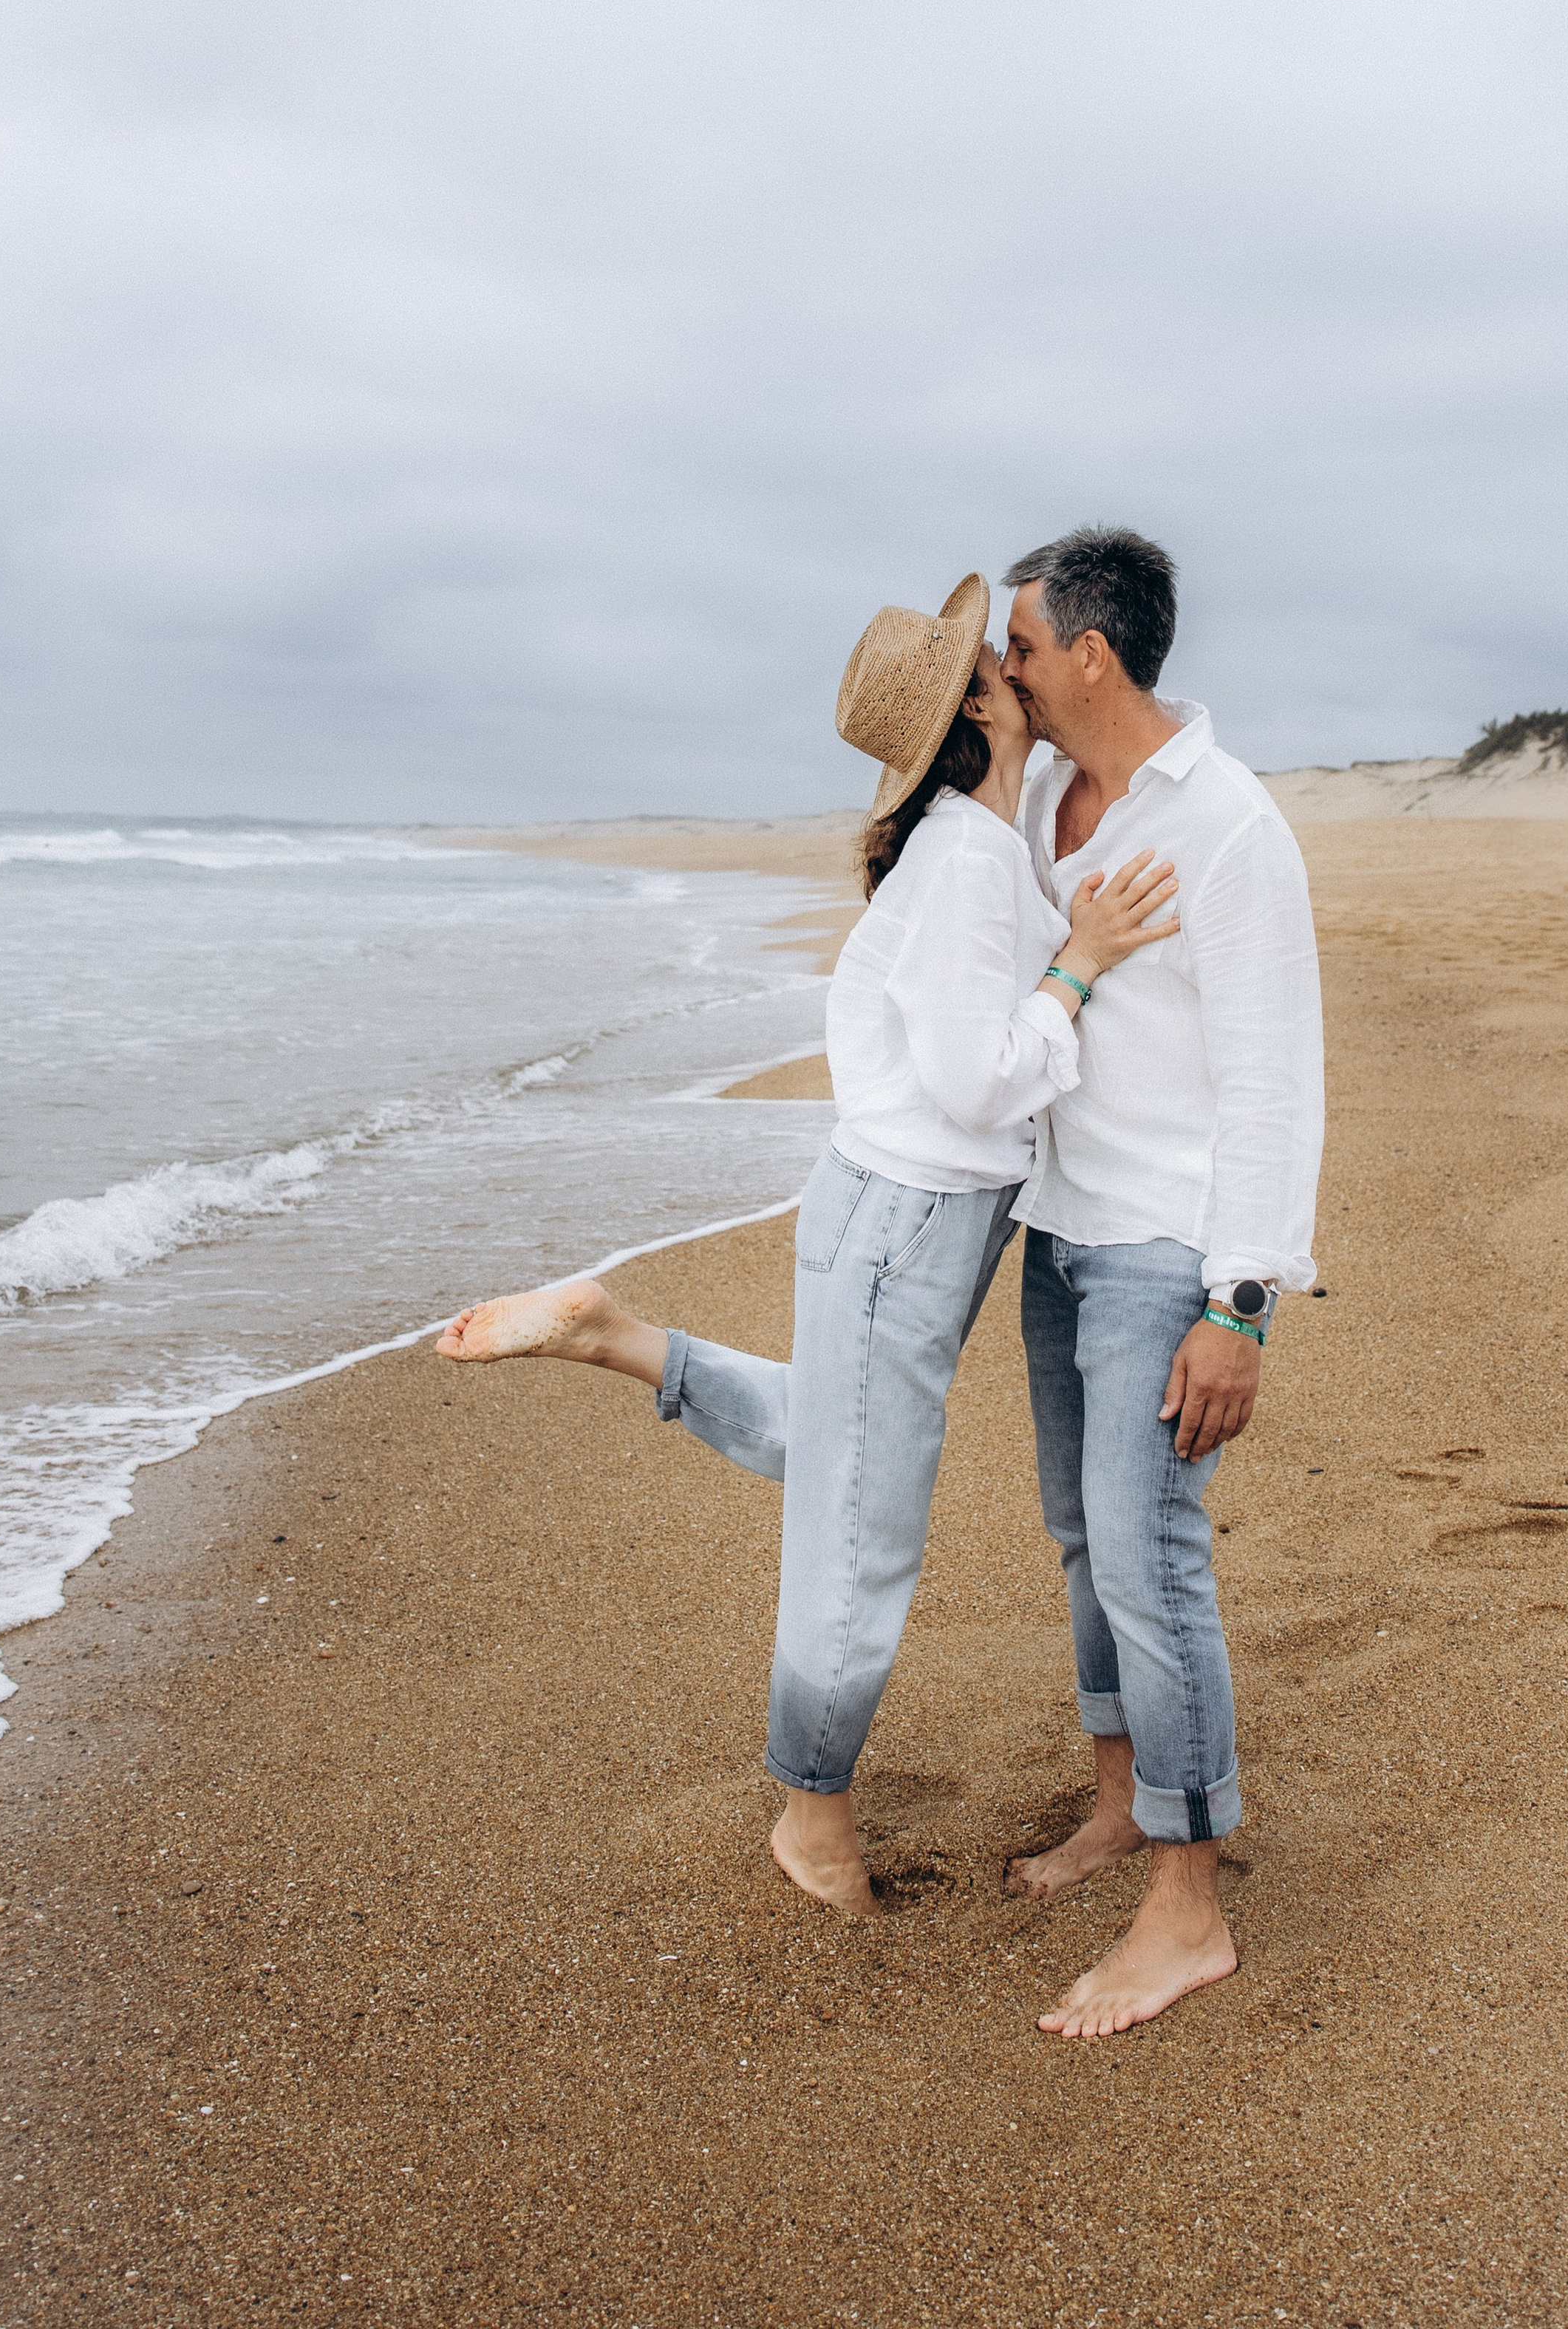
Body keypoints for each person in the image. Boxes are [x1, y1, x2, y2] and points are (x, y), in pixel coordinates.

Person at [437, 573, 1179, 1918]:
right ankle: (811, 1813)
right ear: (981, 702)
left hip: (894, 1219)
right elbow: (971, 1082)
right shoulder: (960, 863)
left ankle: (618, 1336)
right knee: (858, 1528)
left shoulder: (970, 834)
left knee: (832, 1452)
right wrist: (1080, 965)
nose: (1024, 665)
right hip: (906, 1223)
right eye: (1004, 659)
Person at [995, 527, 1325, 2041]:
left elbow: (1272, 1083)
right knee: (1082, 1541)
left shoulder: (1230, 825)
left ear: (1089, 653)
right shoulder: (1039, 802)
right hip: (1056, 1232)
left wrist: (1235, 1303)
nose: (1001, 668)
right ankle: (1123, 1800)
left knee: (1150, 1557)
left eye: (1017, 644)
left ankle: (1186, 1908)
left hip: (1166, 1250)